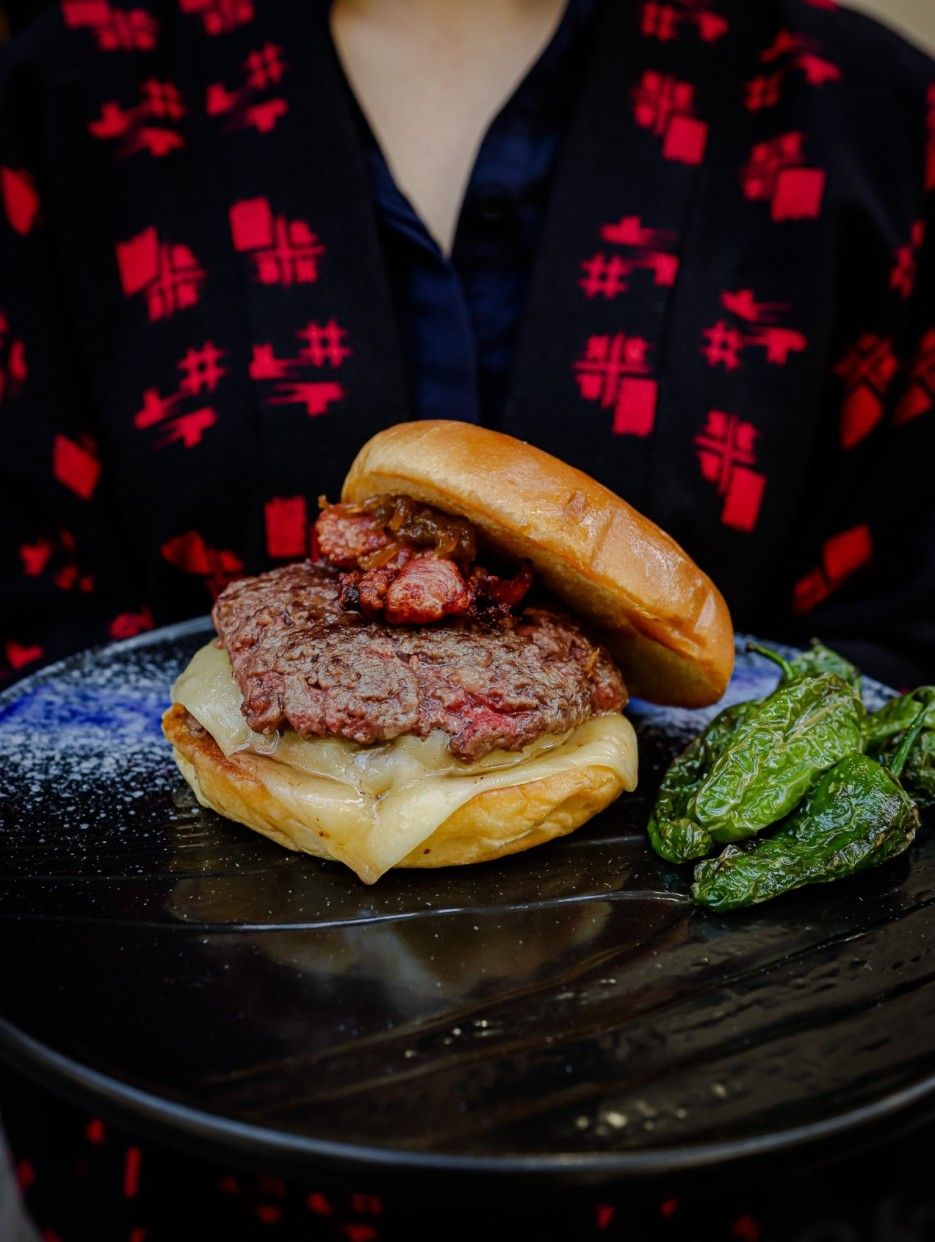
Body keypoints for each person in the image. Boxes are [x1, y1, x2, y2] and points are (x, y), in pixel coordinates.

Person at [0, 0, 933, 1236]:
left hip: (713, 1156)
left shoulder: (856, 111)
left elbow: (910, 631)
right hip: (188, 1176)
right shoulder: (74, 92)